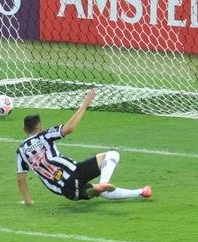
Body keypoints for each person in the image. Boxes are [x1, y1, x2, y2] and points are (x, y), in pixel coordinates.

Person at [16, 88, 152, 205]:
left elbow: (21, 178)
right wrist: (85, 104)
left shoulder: (21, 151)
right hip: (74, 172)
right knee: (112, 154)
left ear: (24, 130)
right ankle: (104, 183)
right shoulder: (43, 136)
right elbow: (69, 128)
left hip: (65, 191)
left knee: (98, 192)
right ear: (39, 127)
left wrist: (27, 201)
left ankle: (141, 192)